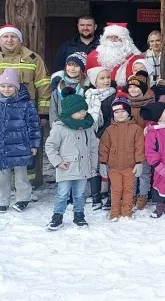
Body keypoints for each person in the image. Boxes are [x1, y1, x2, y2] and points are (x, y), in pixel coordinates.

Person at [0, 24, 51, 208]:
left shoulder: (32, 58)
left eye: (13, 37)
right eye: (5, 37)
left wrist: (42, 112)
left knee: (24, 156)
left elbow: (44, 86)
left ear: (20, 39)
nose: (9, 40)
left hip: (21, 118)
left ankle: (23, 192)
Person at [0, 68, 40, 213]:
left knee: (21, 176)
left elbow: (33, 126)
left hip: (20, 146)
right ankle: (2, 201)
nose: (6, 89)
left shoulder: (26, 104)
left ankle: (23, 198)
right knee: (2, 177)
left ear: (16, 87)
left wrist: (34, 144)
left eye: (10, 86)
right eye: (3, 86)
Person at [44, 87, 98, 230]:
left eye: (85, 110)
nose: (84, 113)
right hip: (66, 167)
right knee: (62, 194)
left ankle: (79, 215)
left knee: (80, 194)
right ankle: (57, 217)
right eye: (80, 111)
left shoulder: (87, 126)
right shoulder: (59, 127)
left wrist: (93, 165)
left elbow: (93, 147)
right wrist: (58, 162)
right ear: (70, 112)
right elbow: (50, 146)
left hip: (83, 167)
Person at [99, 93, 145, 221]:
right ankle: (114, 212)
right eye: (117, 112)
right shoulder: (109, 130)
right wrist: (102, 163)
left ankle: (126, 211)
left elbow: (139, 147)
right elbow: (104, 148)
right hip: (114, 167)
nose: (120, 114)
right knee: (116, 189)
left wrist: (139, 162)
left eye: (123, 111)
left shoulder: (136, 129)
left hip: (130, 167)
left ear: (128, 112)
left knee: (128, 190)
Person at [84, 66, 116, 210]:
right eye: (102, 78)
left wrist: (99, 135)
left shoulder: (112, 96)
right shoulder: (89, 95)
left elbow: (111, 118)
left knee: (109, 166)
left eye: (108, 77)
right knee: (94, 166)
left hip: (107, 136)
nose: (106, 81)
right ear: (94, 81)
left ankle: (110, 196)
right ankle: (95, 196)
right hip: (91, 136)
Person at [125, 71, 155, 210]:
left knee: (143, 172)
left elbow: (152, 123)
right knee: (131, 172)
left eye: (136, 87)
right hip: (129, 144)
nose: (132, 89)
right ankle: (132, 195)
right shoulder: (125, 104)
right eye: (130, 87)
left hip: (144, 144)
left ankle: (143, 195)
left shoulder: (149, 104)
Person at [85, 22, 143, 87]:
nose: (112, 40)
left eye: (116, 37)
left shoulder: (135, 57)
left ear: (124, 40)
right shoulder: (93, 56)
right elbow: (88, 78)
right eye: (109, 37)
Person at [49, 52, 89, 126]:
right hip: (60, 126)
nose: (72, 69)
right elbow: (53, 109)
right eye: (69, 65)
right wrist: (55, 126)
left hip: (79, 126)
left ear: (82, 68)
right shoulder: (58, 84)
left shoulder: (86, 87)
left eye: (76, 66)